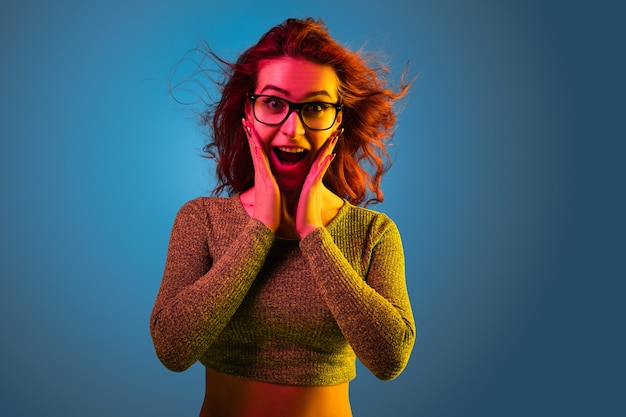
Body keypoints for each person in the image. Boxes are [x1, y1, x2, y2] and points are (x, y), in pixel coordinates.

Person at [150, 17, 416, 417]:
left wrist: (314, 235)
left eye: (315, 108)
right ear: (248, 111)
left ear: (338, 120)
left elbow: (390, 360)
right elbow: (172, 349)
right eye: (274, 103)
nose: (293, 130)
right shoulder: (201, 219)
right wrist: (260, 230)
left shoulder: (372, 234)